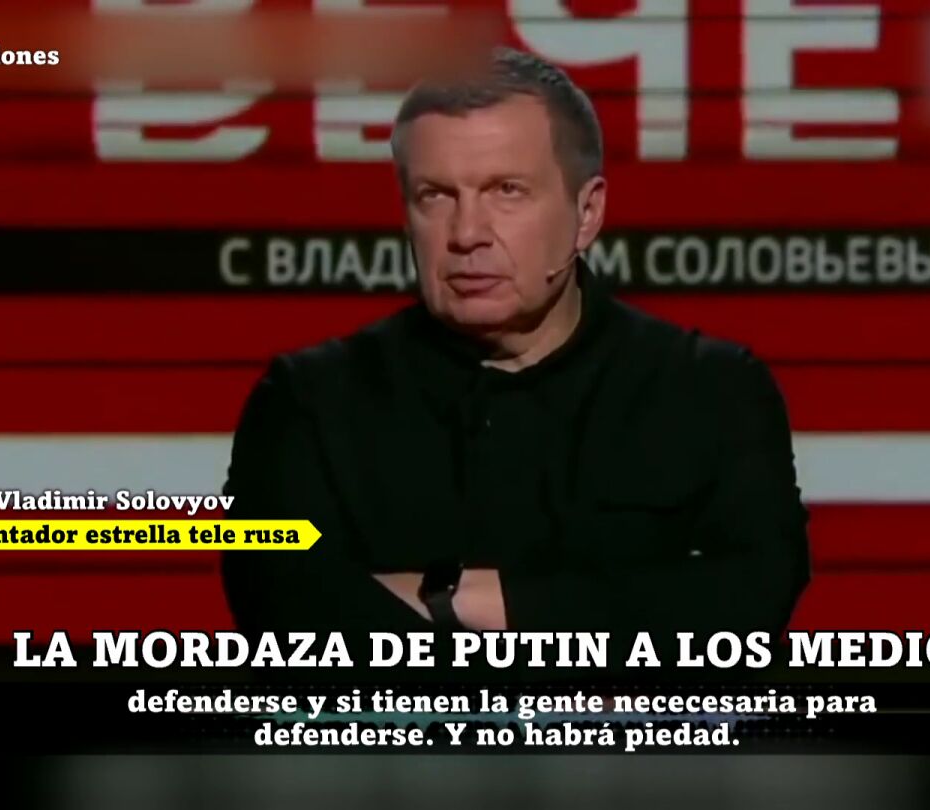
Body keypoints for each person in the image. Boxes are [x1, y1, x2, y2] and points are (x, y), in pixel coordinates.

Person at [220, 47, 810, 679]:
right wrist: (611, 622)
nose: (466, 233)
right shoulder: (306, 401)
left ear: (587, 214)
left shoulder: (712, 389)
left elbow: (747, 601)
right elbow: (290, 619)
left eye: (507, 191)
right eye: (435, 195)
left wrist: (448, 600)